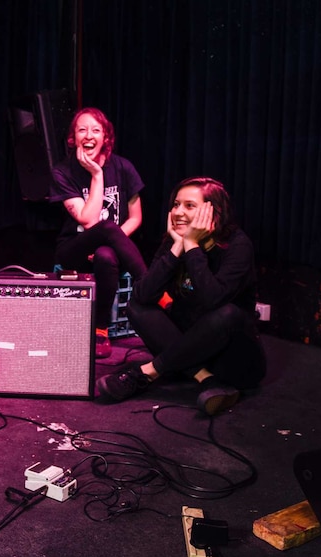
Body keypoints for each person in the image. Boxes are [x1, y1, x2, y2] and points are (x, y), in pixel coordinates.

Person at [96, 176, 266, 415]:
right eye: (176, 205)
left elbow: (212, 300)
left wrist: (192, 247)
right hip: (190, 346)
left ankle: (150, 372)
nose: (177, 212)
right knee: (137, 305)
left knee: (227, 313)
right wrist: (177, 248)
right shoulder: (175, 239)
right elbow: (143, 294)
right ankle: (206, 379)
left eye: (189, 205)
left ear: (213, 212)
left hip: (233, 358)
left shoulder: (237, 245)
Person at [49, 107, 147, 359]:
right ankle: (152, 287)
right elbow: (89, 219)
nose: (88, 135)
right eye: (82, 130)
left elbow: (136, 217)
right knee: (104, 227)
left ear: (106, 137)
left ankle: (100, 329)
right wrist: (97, 174)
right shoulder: (63, 171)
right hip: (74, 249)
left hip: (111, 250)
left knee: (105, 253)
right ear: (73, 138)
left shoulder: (124, 167)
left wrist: (113, 241)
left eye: (96, 130)